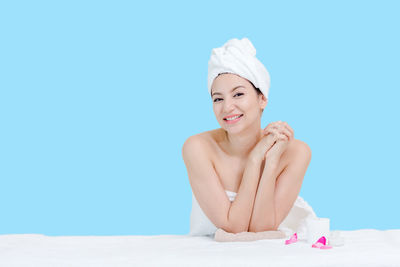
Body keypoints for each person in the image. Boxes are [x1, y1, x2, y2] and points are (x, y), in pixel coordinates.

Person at [182, 38, 312, 236]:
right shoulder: (197, 148)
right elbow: (234, 228)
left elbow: (262, 230)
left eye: (238, 94)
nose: (227, 107)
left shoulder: (297, 152)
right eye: (218, 98)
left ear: (262, 99)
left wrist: (270, 162)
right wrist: (254, 158)